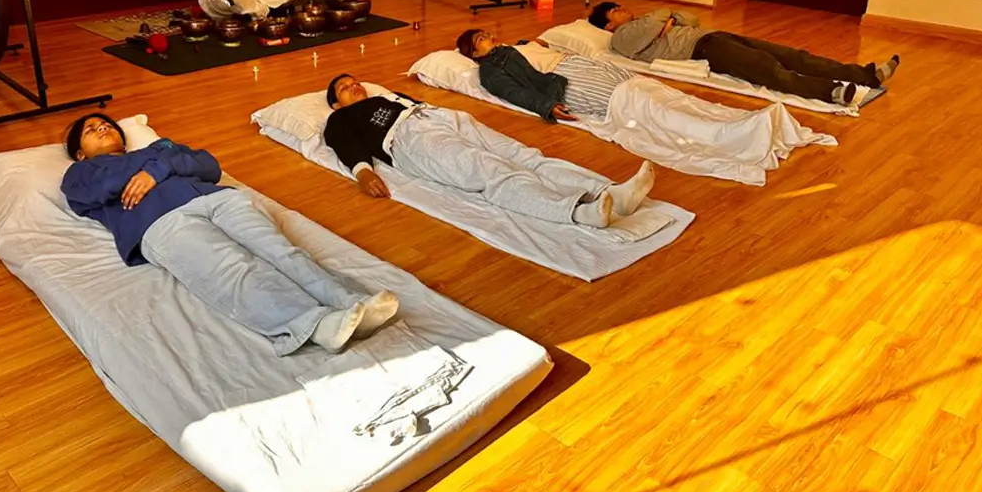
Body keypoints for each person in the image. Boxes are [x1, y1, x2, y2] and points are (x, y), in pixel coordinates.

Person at [60, 113, 397, 356]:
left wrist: (156, 169)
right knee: (234, 270)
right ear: (80, 152)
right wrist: (162, 165)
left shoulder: (155, 152)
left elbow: (209, 166)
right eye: (91, 130)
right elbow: (103, 188)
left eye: (106, 124)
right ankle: (314, 324)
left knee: (282, 252)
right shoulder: (79, 175)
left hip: (218, 199)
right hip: (160, 224)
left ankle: (349, 302)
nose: (102, 127)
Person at [322, 75, 656, 229]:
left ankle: (611, 193)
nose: (353, 86)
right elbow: (342, 142)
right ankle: (576, 212)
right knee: (490, 170)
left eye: (354, 82)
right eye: (343, 88)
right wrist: (362, 172)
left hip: (441, 117)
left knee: (525, 155)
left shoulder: (386, 95)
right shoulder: (341, 117)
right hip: (409, 140)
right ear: (337, 103)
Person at [588, 2, 901, 106]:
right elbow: (658, 23)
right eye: (615, 11)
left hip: (714, 36)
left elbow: (690, 18)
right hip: (702, 49)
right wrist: (665, 19)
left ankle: (864, 74)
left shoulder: (648, 20)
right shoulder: (621, 39)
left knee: (791, 54)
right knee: (768, 69)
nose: (622, 9)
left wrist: (667, 21)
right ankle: (831, 93)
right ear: (608, 24)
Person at [456, 29, 637, 123]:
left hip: (569, 68)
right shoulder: (490, 71)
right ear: (475, 54)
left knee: (634, 85)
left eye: (487, 34)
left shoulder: (507, 51)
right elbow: (514, 92)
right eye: (481, 39)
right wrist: (547, 107)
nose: (490, 36)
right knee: (623, 101)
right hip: (559, 83)